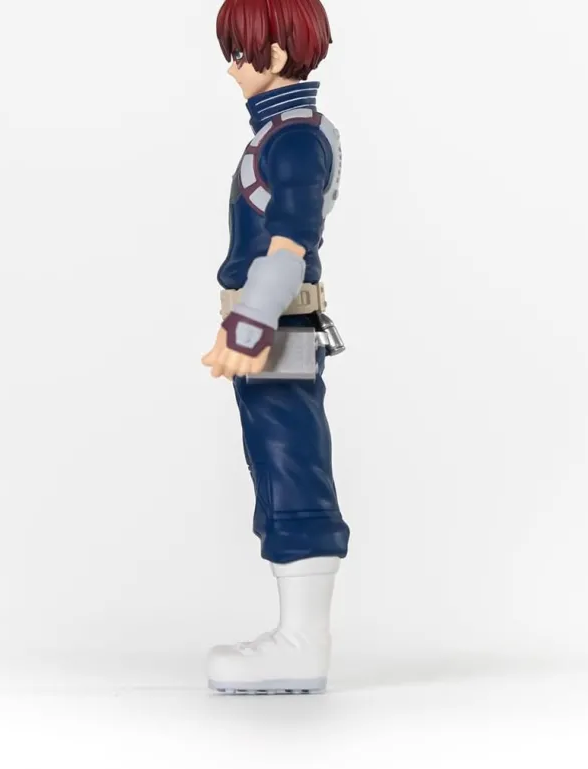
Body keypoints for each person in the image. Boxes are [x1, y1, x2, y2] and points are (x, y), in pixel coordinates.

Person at [201, 0, 350, 695]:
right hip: (271, 332)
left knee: (292, 468)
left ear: (279, 55)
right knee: (274, 464)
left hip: (277, 335)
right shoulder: (280, 134)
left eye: (241, 52)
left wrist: (247, 328)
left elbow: (291, 247)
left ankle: (302, 643)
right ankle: (295, 634)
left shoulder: (291, 141)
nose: (232, 67)